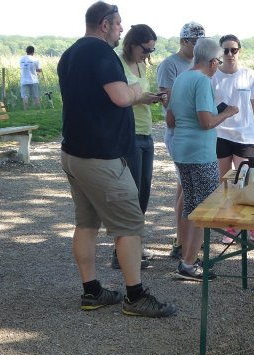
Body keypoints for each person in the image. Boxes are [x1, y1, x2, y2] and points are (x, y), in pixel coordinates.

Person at [57, 1, 176, 318]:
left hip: (73, 153)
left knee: (86, 223)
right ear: (105, 24)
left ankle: (92, 292)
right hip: (101, 157)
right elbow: (121, 97)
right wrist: (136, 89)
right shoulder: (101, 54)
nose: (122, 29)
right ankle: (135, 297)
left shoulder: (69, 54)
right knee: (130, 226)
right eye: (119, 24)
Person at [166, 38, 238, 281]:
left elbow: (171, 121)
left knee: (190, 206)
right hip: (200, 153)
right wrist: (226, 112)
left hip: (182, 150)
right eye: (217, 60)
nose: (218, 64)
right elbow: (206, 122)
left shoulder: (181, 78)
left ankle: (187, 256)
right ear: (212, 61)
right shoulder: (202, 81)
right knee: (204, 210)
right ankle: (188, 264)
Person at [110, 24, 166, 270]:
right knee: (129, 195)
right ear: (132, 43)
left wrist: (151, 97)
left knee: (143, 193)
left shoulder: (142, 65)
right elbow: (120, 98)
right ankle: (119, 253)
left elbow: (138, 94)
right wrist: (140, 98)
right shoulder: (117, 64)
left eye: (152, 50)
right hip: (128, 134)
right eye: (146, 49)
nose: (148, 55)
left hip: (145, 133)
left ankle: (135, 247)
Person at [211, 34, 254, 245]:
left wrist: (243, 120)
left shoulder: (249, 74)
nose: (229, 54)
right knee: (225, 183)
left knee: (248, 182)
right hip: (220, 134)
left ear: (239, 51)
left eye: (233, 50)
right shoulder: (213, 76)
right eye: (225, 50)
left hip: (244, 136)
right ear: (220, 53)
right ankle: (231, 226)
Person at [157, 21, 205, 260]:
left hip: (195, 132)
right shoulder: (170, 64)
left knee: (182, 186)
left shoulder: (197, 64)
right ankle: (181, 242)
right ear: (184, 41)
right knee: (188, 188)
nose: (198, 47)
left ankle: (182, 237)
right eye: (195, 42)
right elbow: (167, 101)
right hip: (179, 133)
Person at [19, 46, 42, 110]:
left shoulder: (21, 59)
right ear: (33, 51)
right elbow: (39, 70)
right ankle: (38, 109)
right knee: (36, 96)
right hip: (33, 80)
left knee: (25, 96)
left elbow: (22, 68)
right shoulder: (35, 60)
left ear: (26, 51)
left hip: (24, 80)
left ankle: (26, 110)